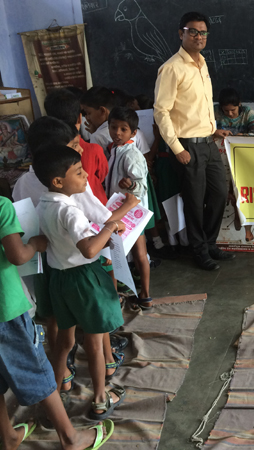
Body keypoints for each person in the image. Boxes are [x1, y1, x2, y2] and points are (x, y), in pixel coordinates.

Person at [13, 116, 136, 393]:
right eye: (73, 146)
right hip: (81, 271)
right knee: (96, 330)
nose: (80, 151)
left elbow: (26, 226)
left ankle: (59, 383)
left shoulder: (26, 184)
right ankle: (102, 386)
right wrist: (123, 213)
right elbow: (100, 225)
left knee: (58, 328)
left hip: (50, 267)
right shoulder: (72, 195)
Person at [0, 196, 114, 449]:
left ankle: (7, 436)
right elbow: (17, 256)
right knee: (37, 369)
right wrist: (34, 244)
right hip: (5, 309)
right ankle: (70, 438)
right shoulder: (1, 206)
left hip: (50, 285)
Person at [35, 145, 127, 421]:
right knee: (95, 343)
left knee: (65, 340)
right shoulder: (70, 211)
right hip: (84, 279)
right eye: (78, 172)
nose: (86, 175)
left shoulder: (44, 203)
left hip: (60, 279)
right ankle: (100, 399)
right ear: (58, 181)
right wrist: (110, 227)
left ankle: (55, 389)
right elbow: (88, 250)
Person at [154, 11, 234, 271]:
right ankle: (198, 251)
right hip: (187, 146)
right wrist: (177, 148)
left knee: (219, 194)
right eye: (193, 32)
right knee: (194, 202)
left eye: (203, 32)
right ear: (182, 33)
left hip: (208, 143)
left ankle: (209, 243)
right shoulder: (171, 68)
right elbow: (161, 112)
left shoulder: (202, 64)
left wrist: (213, 130)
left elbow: (198, 106)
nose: (199, 36)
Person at [105, 107, 153, 309]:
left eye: (123, 129)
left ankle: (140, 294)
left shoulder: (131, 154)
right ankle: (142, 295)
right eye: (113, 127)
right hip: (123, 211)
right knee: (128, 253)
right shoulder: (116, 149)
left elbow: (141, 185)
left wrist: (131, 184)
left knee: (127, 254)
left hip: (129, 213)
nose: (117, 133)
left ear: (133, 133)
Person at [44, 88, 109, 204]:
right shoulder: (94, 150)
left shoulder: (49, 155)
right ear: (80, 118)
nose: (80, 150)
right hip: (97, 204)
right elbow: (102, 176)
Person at [215, 87, 254, 242]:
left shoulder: (247, 112)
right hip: (219, 156)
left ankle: (244, 223)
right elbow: (204, 131)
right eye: (226, 110)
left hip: (241, 157)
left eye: (233, 110)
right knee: (222, 186)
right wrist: (215, 132)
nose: (229, 114)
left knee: (241, 187)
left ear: (239, 105)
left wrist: (243, 136)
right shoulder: (214, 111)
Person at [80, 86, 152, 159]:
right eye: (113, 128)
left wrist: (95, 134)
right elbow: (146, 160)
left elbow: (98, 164)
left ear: (102, 111)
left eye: (88, 113)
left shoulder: (97, 137)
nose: (87, 117)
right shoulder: (136, 132)